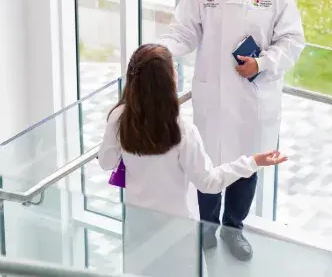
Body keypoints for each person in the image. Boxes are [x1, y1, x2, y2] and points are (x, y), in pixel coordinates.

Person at [157, 0, 305, 260]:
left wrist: (262, 63)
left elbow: (293, 41)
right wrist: (159, 50)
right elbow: (183, 33)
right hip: (213, 97)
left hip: (253, 99)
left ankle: (233, 229)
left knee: (246, 166)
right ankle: (207, 227)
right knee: (206, 165)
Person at [99, 43, 288, 276]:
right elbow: (208, 182)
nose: (177, 73)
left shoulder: (119, 117)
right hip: (176, 229)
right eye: (174, 69)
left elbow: (106, 162)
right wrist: (252, 162)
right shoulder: (181, 129)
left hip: (138, 224)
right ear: (167, 82)